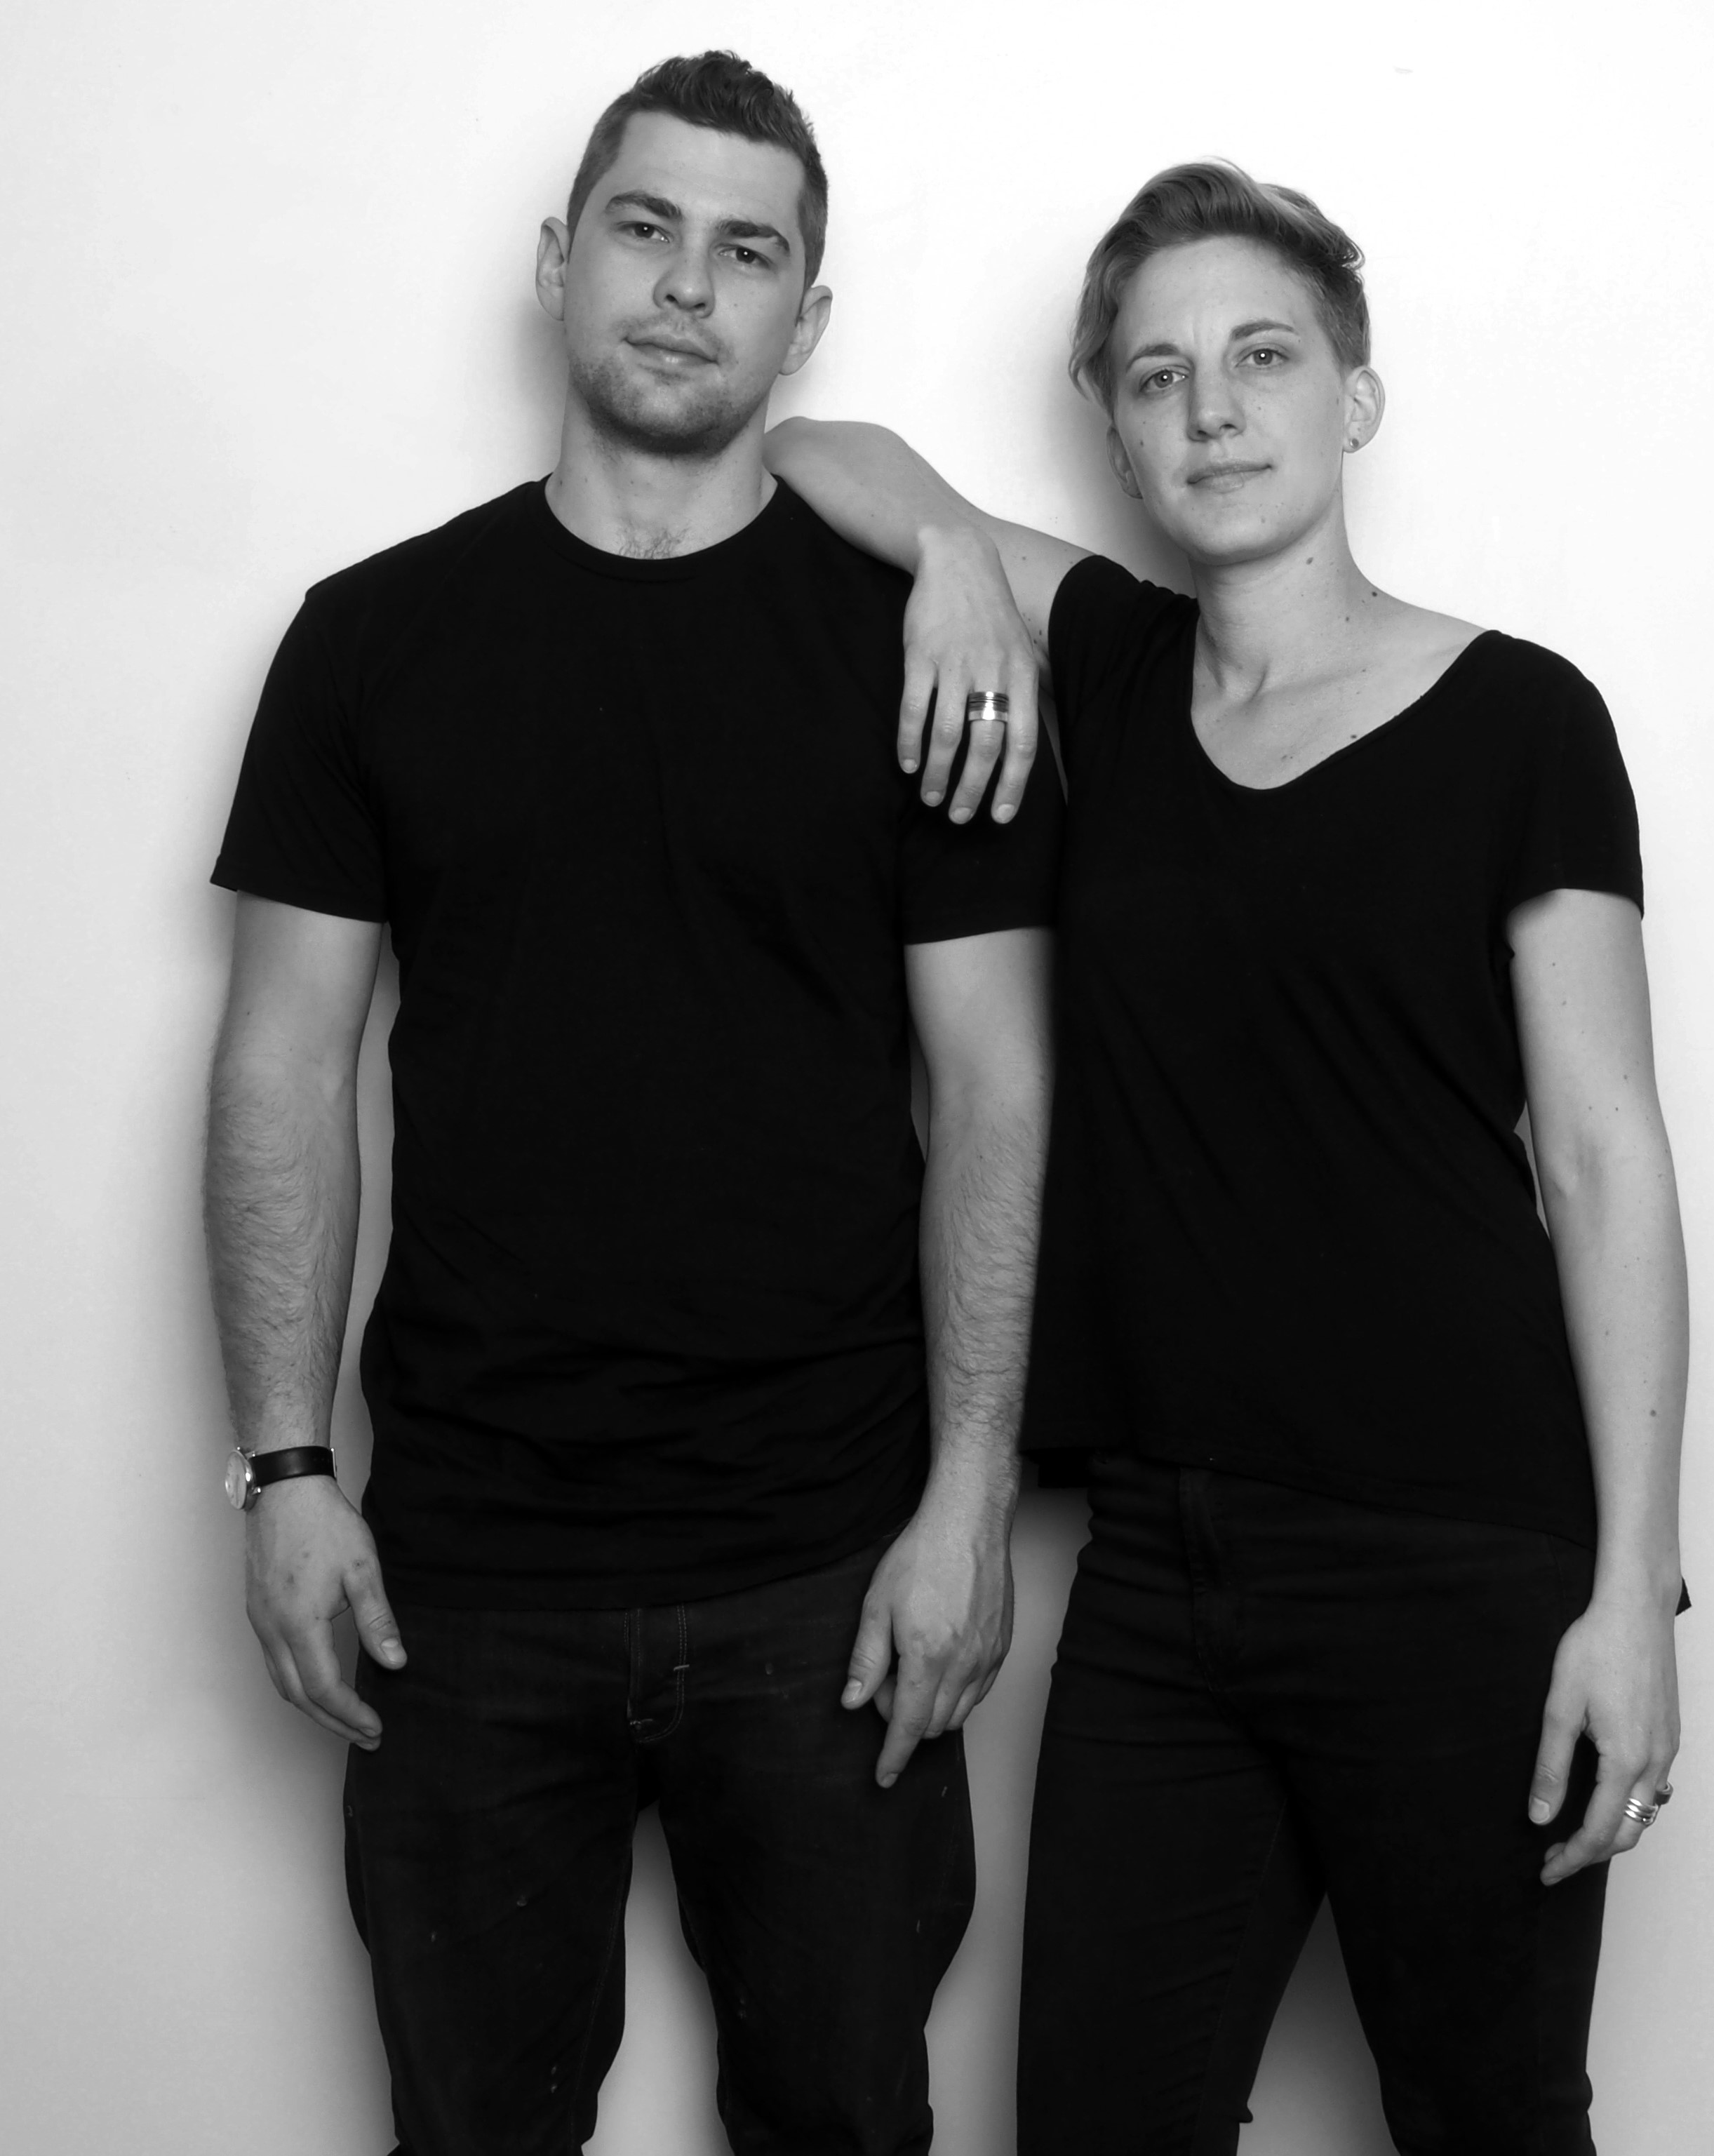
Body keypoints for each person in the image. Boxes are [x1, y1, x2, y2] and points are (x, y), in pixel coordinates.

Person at [765, 159, 1687, 2155]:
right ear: (1113, 429)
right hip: (1162, 1576)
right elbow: (811, 448)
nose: (1213, 408)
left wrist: (1630, 1595)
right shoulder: (1105, 669)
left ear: (1354, 396)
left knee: (1490, 2122)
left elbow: (1605, 1159)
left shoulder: (1521, 719)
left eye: (1263, 357)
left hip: (1463, 1559)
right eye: (1158, 373)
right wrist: (955, 555)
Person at [202, 51, 1061, 2156]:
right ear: (557, 261)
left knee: (846, 2125)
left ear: (806, 319)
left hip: (831, 1566)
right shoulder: (373, 640)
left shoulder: (918, 656)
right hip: (466, 1568)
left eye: (747, 252)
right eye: (645, 229)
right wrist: (285, 1466)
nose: (688, 285)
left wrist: (968, 1497)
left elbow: (994, 1085)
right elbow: (283, 1063)